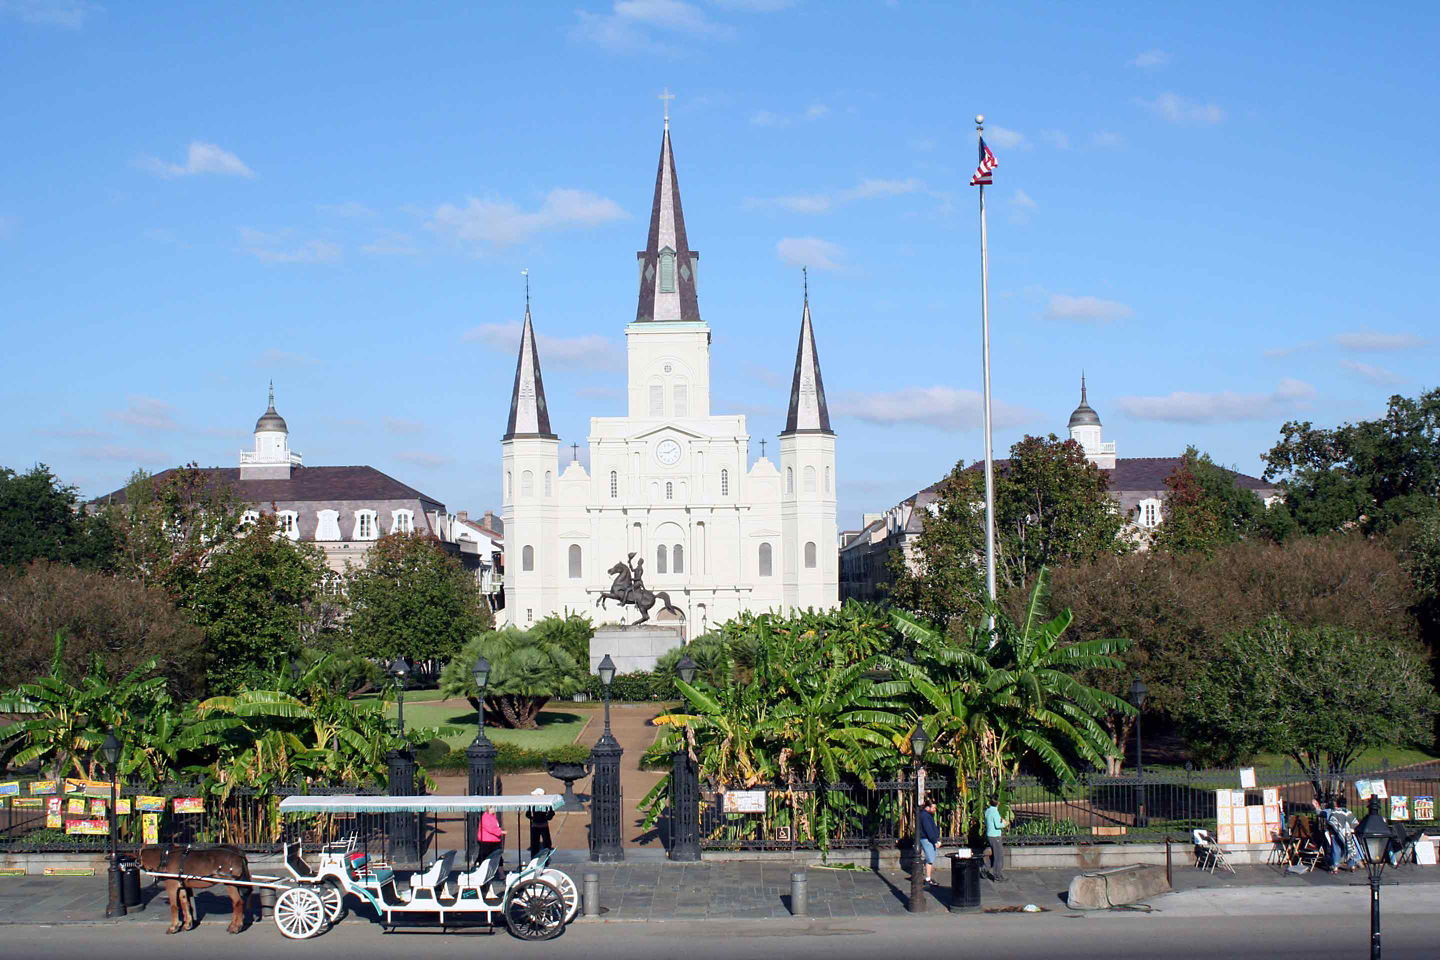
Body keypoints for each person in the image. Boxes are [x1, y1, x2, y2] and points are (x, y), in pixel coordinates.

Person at [916, 796, 940, 885]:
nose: (935, 810)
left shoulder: (925, 815)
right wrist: (935, 841)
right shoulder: (925, 816)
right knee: (930, 859)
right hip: (927, 839)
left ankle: (928, 877)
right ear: (928, 807)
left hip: (927, 838)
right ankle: (928, 878)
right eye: (933, 808)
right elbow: (928, 829)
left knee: (930, 858)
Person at [984, 796, 1008, 882]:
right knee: (999, 856)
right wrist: (1004, 823)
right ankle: (997, 875)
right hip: (995, 836)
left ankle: (984, 869)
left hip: (989, 835)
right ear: (998, 803)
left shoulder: (987, 811)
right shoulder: (995, 812)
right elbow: (998, 825)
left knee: (994, 855)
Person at [527, 787, 555, 860]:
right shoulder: (545, 804)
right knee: (541, 844)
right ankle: (537, 858)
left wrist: (533, 818)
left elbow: (528, 814)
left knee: (541, 843)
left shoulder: (542, 804)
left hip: (538, 825)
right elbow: (551, 814)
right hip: (540, 825)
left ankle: (539, 858)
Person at [475, 805, 505, 870]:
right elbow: (490, 828)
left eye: (494, 807)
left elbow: (495, 827)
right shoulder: (485, 817)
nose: (494, 809)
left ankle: (501, 874)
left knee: (498, 857)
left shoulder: (493, 817)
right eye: (492, 808)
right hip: (486, 841)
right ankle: (478, 870)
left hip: (494, 840)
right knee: (483, 857)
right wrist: (500, 832)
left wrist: (500, 831)